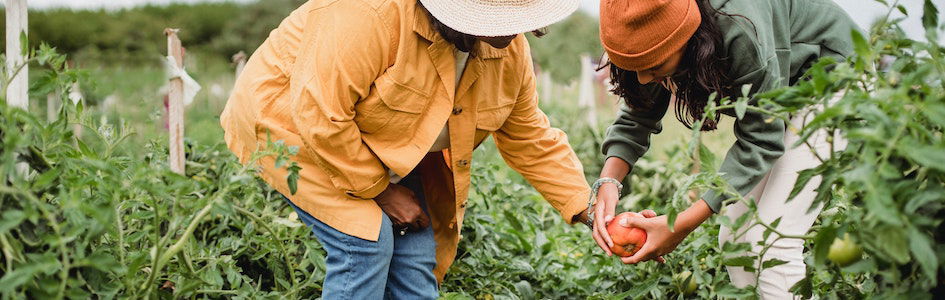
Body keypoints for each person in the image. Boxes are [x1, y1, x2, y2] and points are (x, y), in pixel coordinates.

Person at [220, 0, 598, 298]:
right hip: (293, 128)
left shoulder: (509, 52)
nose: (510, 30)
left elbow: (530, 137)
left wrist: (590, 211)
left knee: (418, 251)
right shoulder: (369, 15)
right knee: (365, 244)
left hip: (383, 141)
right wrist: (384, 193)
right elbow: (321, 116)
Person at [589, 0, 859, 298]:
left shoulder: (739, 23)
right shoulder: (656, 27)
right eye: (634, 67)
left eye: (653, 66)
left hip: (836, 78)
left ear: (686, 37)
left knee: (771, 242)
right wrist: (609, 182)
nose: (642, 78)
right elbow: (639, 111)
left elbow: (761, 137)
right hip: (785, 95)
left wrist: (679, 225)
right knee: (736, 240)